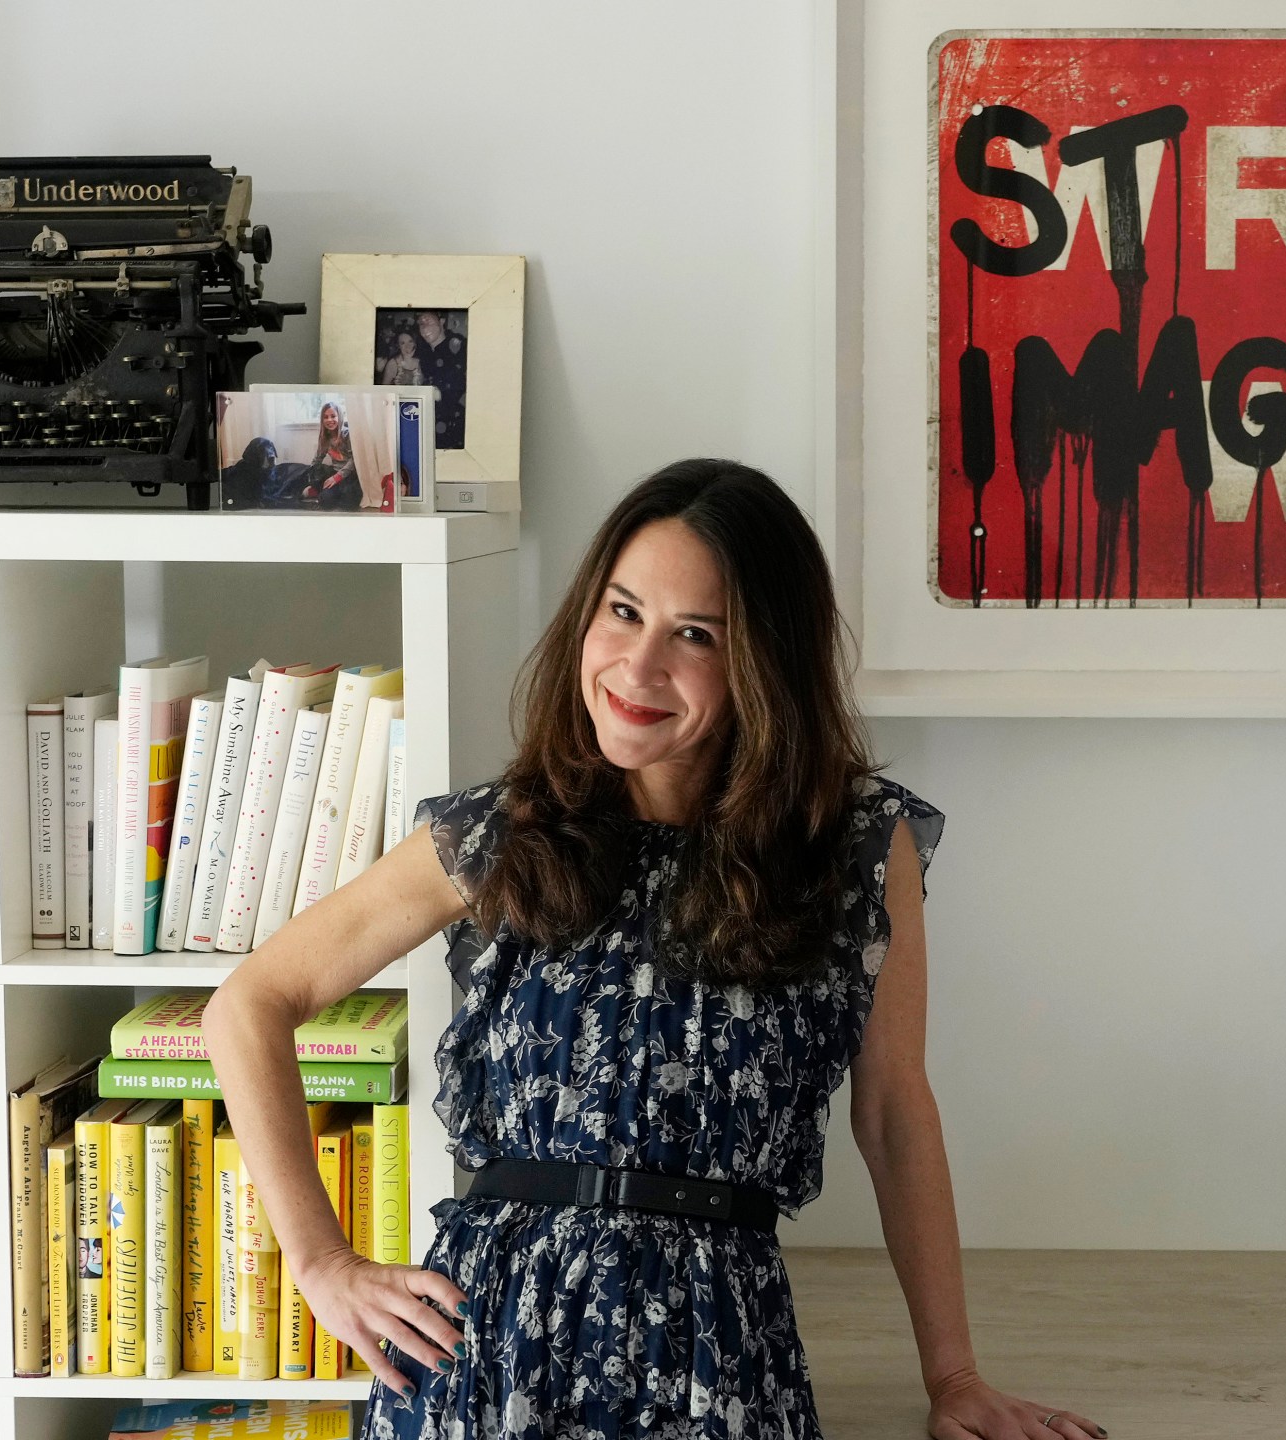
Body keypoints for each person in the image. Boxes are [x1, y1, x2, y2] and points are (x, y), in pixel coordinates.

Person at [205, 459, 1104, 1440]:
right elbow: (249, 1004)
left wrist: (954, 1377)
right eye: (623, 612)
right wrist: (321, 1262)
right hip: (489, 1356)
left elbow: (892, 1111)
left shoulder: (852, 848)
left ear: (763, 661)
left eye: (696, 635)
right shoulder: (498, 836)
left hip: (720, 1351)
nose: (637, 668)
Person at [414, 309, 466, 449]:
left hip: (457, 422)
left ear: (442, 322)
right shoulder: (424, 353)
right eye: (421, 324)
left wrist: (439, 392)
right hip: (433, 421)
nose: (424, 327)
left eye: (429, 321)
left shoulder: (459, 345)